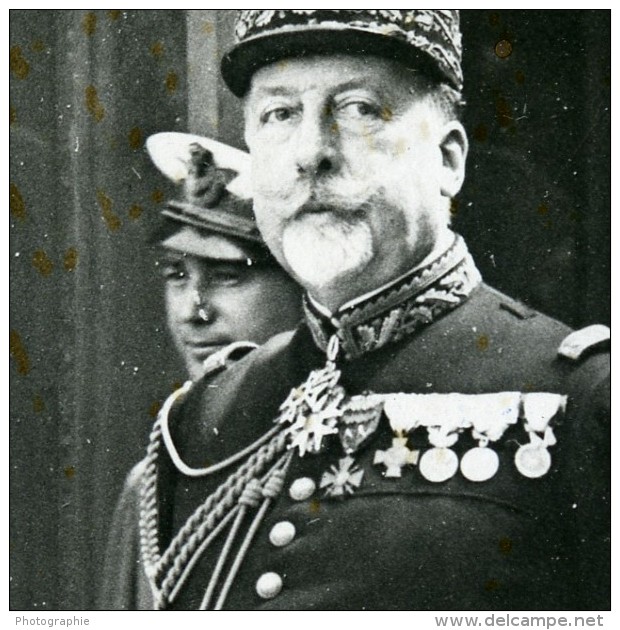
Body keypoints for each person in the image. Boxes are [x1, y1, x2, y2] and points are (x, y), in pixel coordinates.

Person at [132, 10, 610, 610]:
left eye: (359, 109)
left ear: (448, 161)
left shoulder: (587, 403)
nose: (311, 153)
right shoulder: (203, 422)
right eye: (279, 115)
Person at [98, 133, 303, 609]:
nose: (195, 311)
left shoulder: (338, 468)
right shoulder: (151, 489)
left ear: (302, 285)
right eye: (178, 276)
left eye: (229, 276)